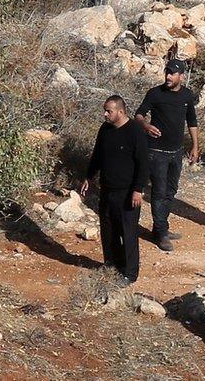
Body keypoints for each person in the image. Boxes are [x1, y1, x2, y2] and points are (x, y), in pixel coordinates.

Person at [82, 96, 148, 286]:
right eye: (105, 110)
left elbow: (143, 164)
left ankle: (130, 273)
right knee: (109, 230)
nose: (105, 114)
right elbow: (97, 155)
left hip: (127, 192)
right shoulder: (105, 129)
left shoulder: (135, 131)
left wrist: (138, 190)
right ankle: (111, 266)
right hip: (107, 189)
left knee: (127, 232)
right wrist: (89, 176)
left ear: (120, 111)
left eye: (108, 111)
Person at [135, 59, 199, 252]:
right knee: (159, 192)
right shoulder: (155, 93)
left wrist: (195, 146)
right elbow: (138, 115)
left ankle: (159, 227)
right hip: (156, 153)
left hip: (176, 152)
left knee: (171, 191)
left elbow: (192, 121)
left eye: (172, 73)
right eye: (167, 72)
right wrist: (145, 126)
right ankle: (162, 233)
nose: (168, 76)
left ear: (182, 76)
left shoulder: (187, 95)